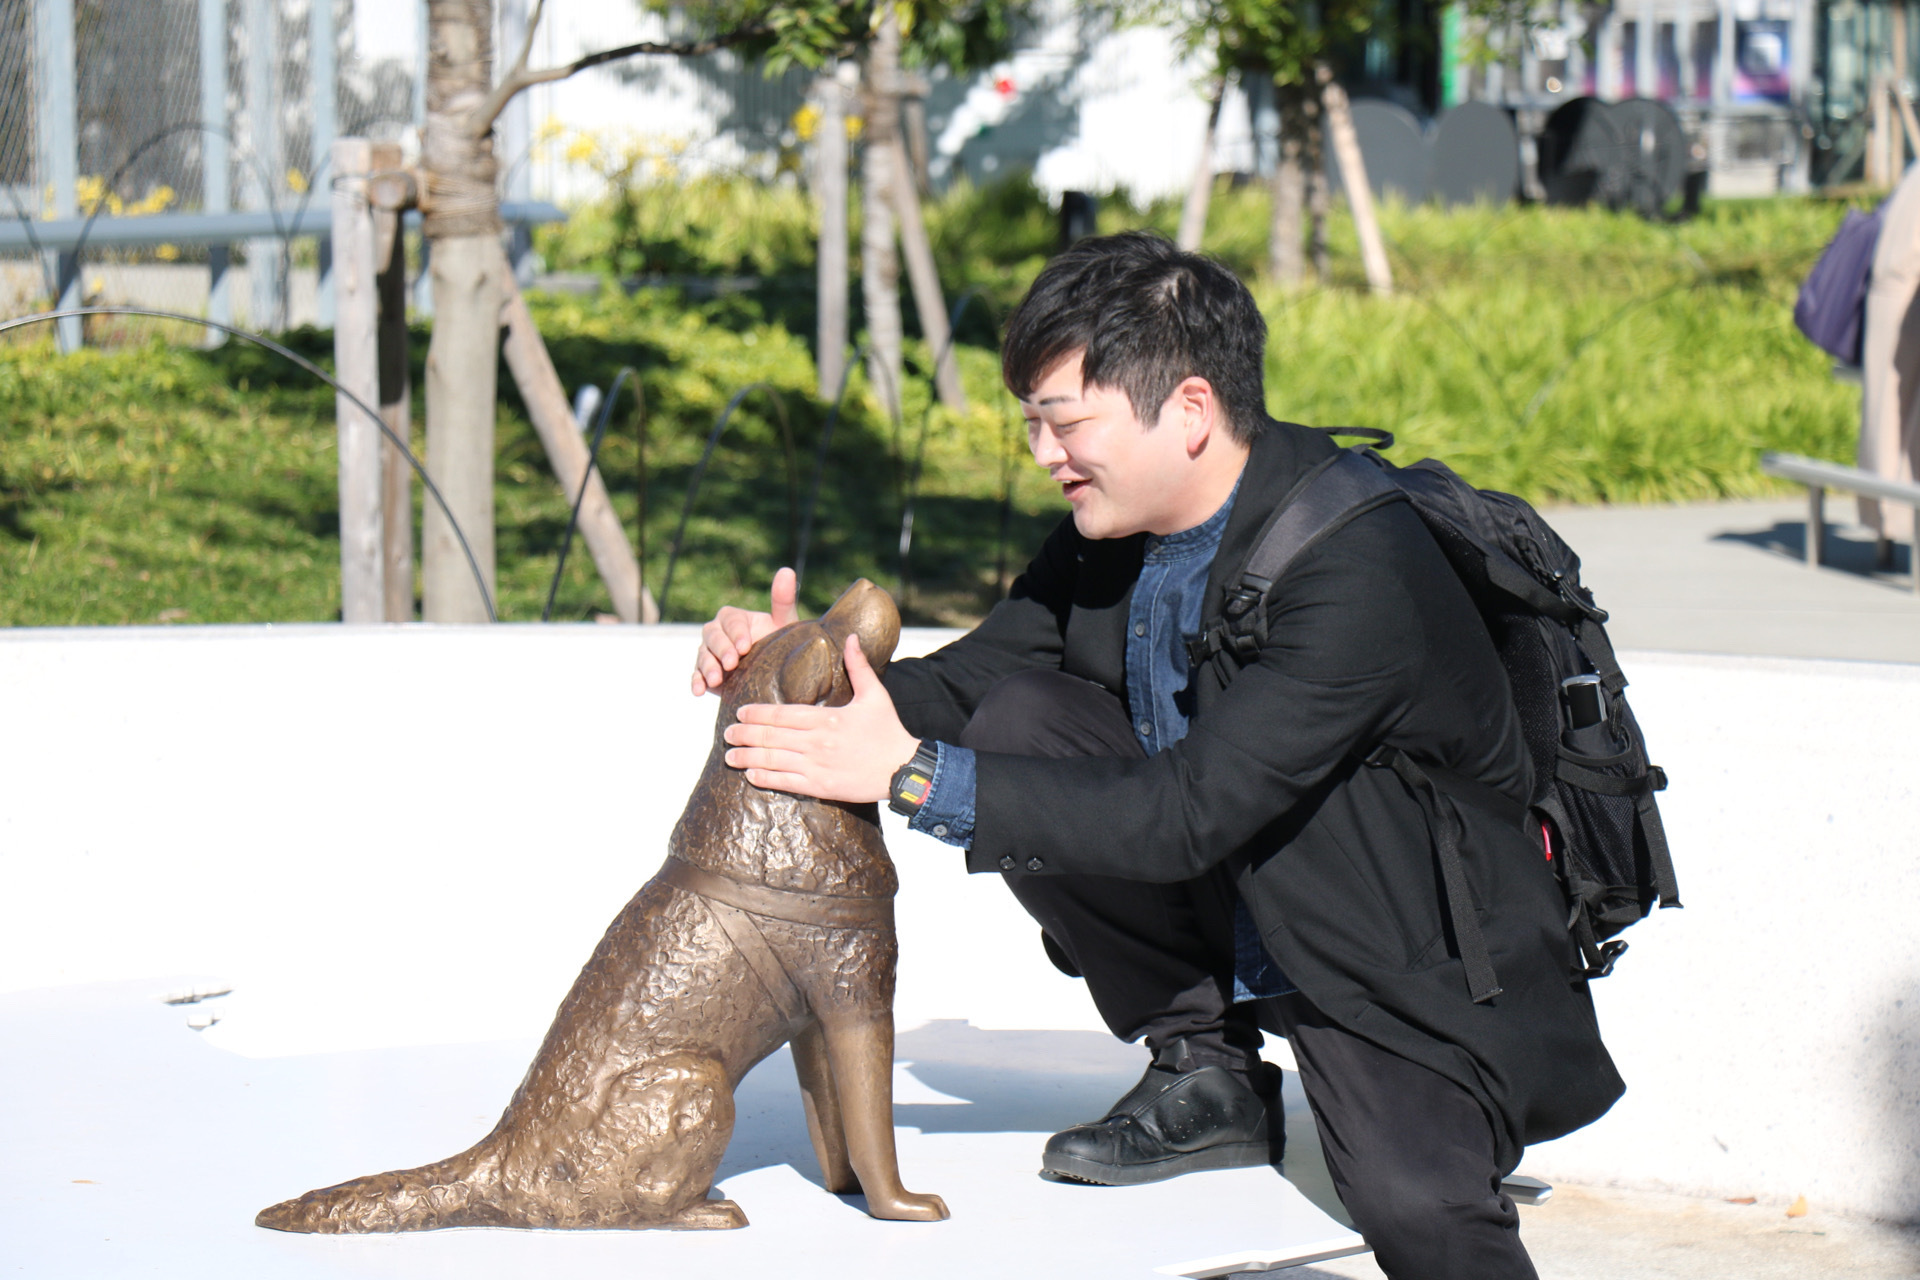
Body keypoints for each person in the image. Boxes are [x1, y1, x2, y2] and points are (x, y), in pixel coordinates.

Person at [693, 231, 1622, 1280]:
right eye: (1034, 422)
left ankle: (1446, 1115)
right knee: (1019, 718)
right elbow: (967, 681)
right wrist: (796, 674)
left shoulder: (1356, 564)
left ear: (1188, 409)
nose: (1045, 453)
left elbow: (1192, 806)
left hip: (1399, 952)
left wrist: (907, 772)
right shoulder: (1109, 530)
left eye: (1065, 422)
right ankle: (1207, 1070)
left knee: (1416, 1203)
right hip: (1251, 889)